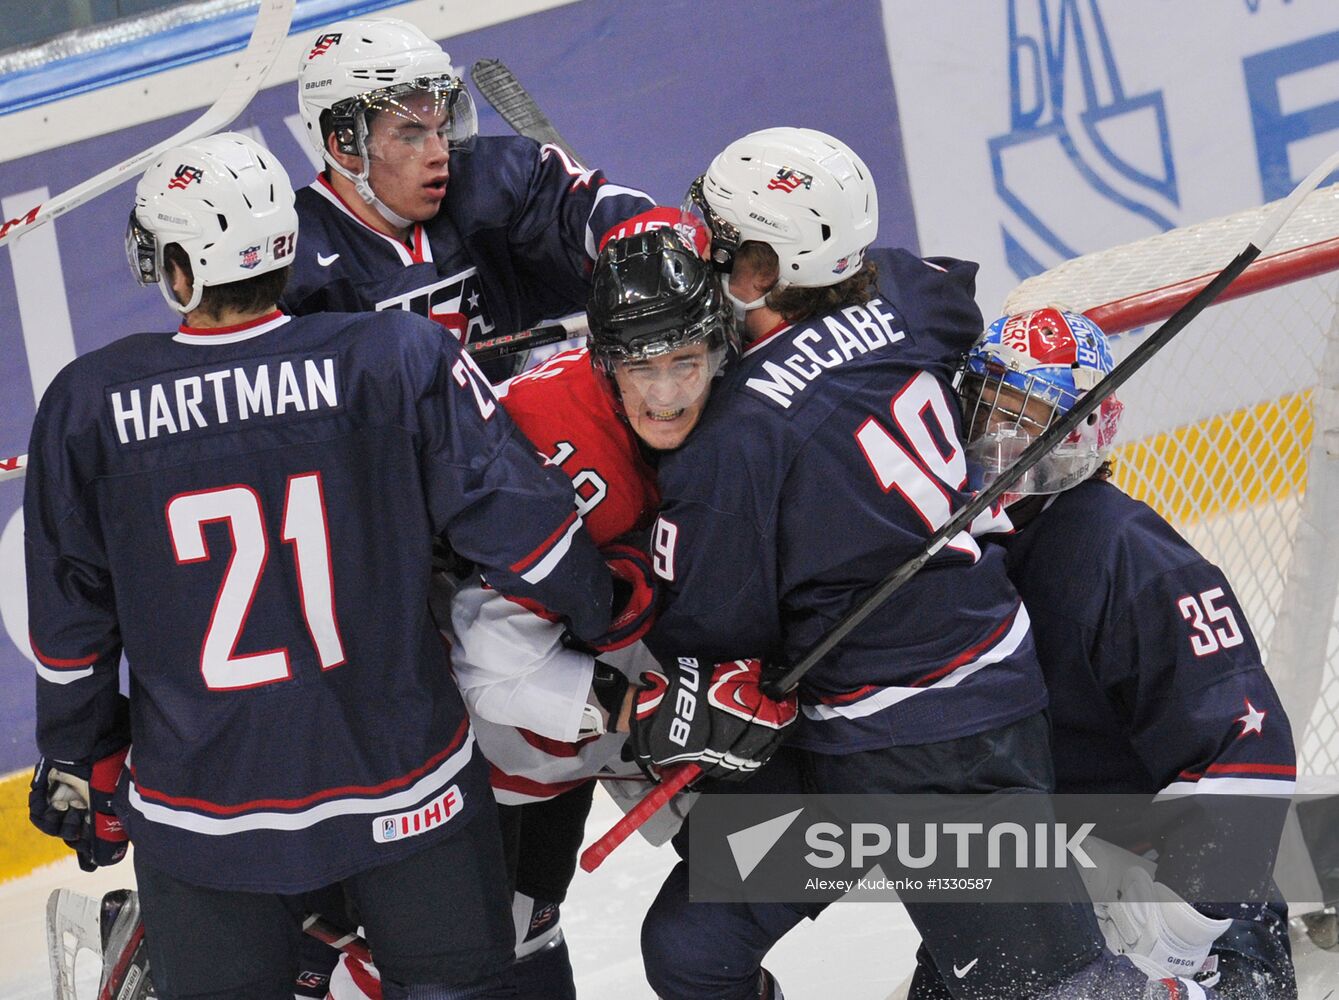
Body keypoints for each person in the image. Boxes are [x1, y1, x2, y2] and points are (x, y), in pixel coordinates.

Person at [24, 132, 648, 1000]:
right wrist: (605, 616)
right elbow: (529, 534)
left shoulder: (87, 403)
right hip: (408, 791)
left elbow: (71, 626)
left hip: (203, 816)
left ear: (177, 271)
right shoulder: (394, 359)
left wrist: (79, 758)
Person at [633, 127, 1215, 1000]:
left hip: (938, 766)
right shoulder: (911, 295)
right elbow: (951, 297)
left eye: (714, 235)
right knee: (690, 946)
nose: (699, 246)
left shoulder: (735, 441)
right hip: (841, 758)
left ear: (757, 271)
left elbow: (715, 630)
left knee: (1045, 990)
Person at [326, 227, 797, 999]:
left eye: (686, 361)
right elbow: (494, 664)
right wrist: (651, 711)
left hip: (592, 719)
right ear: (607, 361)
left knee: (713, 903)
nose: (669, 394)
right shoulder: (552, 445)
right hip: (464, 737)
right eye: (642, 367)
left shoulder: (750, 383)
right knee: (426, 966)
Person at [957, 307, 1299, 999]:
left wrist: (1181, 922)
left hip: (1179, 908)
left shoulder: (1132, 559)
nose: (999, 442)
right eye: (987, 412)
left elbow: (1249, 751)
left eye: (1025, 420)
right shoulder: (954, 544)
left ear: (1083, 434)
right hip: (1049, 888)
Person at [286, 16, 670, 377]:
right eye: (411, 135)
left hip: (510, 431)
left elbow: (606, 218)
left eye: (441, 129)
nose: (439, 153)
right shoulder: (288, 258)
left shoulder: (494, 180)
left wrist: (659, 252)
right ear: (344, 147)